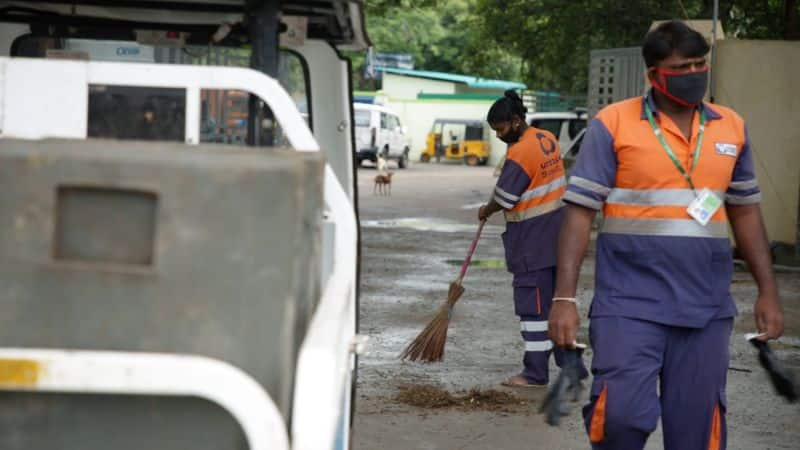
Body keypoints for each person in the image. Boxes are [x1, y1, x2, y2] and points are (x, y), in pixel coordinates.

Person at [548, 20, 784, 449]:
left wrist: (767, 291)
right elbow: (579, 214)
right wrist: (564, 299)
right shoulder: (613, 124)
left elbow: (745, 211)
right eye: (681, 68)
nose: (694, 74)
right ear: (653, 75)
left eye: (700, 65)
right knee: (618, 419)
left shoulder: (731, 127)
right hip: (628, 305)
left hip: (706, 310)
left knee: (697, 434)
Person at [479, 90, 588, 387]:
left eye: (501, 130)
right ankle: (572, 368)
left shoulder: (520, 152)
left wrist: (485, 210)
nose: (500, 136)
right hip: (558, 237)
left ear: (515, 121)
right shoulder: (546, 138)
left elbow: (505, 197)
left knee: (534, 310)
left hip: (532, 242)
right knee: (557, 306)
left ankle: (535, 373)